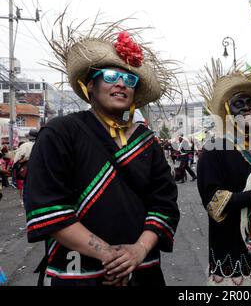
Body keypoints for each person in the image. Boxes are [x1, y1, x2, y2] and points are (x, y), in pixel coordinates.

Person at [23, 19, 179, 286]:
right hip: (77, 275)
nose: (121, 83)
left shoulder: (147, 141)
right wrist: (109, 255)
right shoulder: (61, 133)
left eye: (129, 79)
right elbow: (49, 207)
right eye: (110, 76)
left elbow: (164, 205)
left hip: (143, 272)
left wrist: (138, 250)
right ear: (90, 86)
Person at [196, 65, 251, 286]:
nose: (246, 109)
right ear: (227, 109)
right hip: (230, 250)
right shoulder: (214, 148)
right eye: (238, 104)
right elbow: (213, 203)